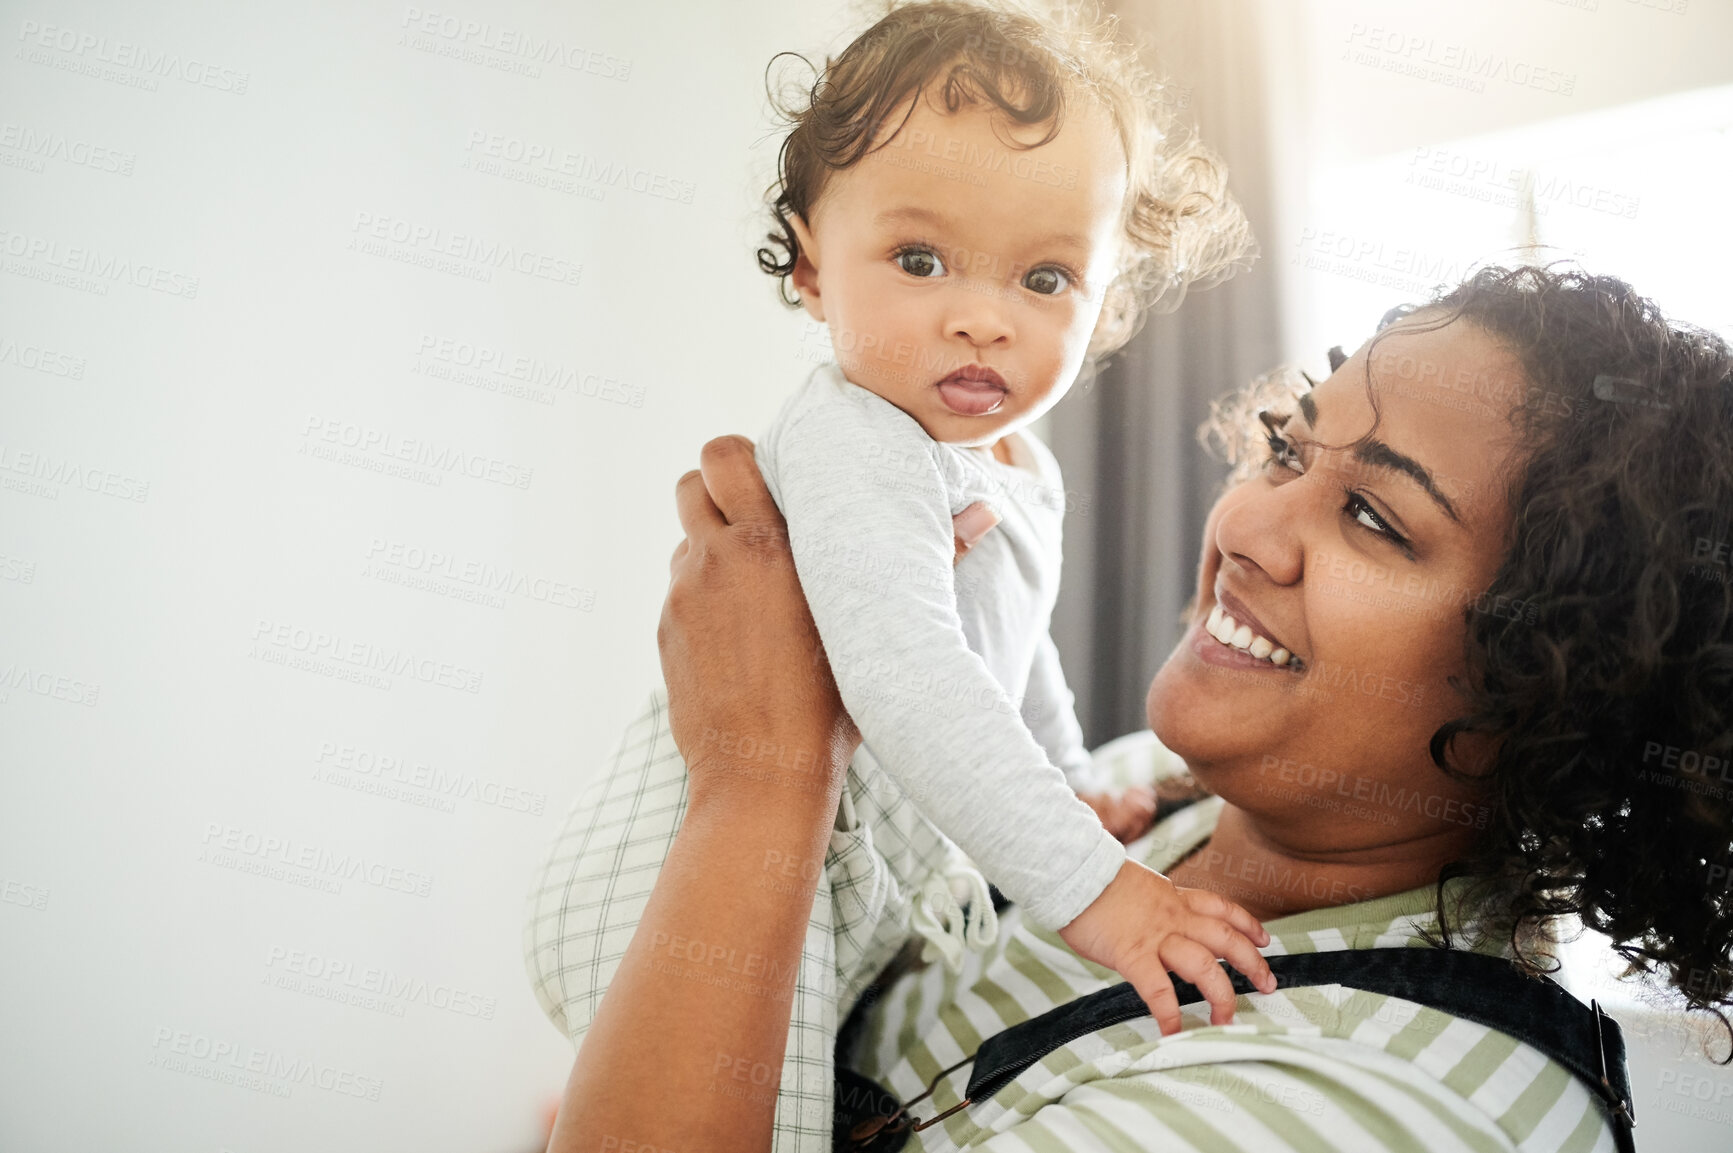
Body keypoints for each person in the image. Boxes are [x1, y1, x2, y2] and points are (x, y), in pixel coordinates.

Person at [527, 264, 1733, 1151]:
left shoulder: (1360, 1113)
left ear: (1558, 683)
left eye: (1373, 518)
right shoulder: (1136, 797)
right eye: (1284, 450)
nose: (1244, 529)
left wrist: (757, 777)